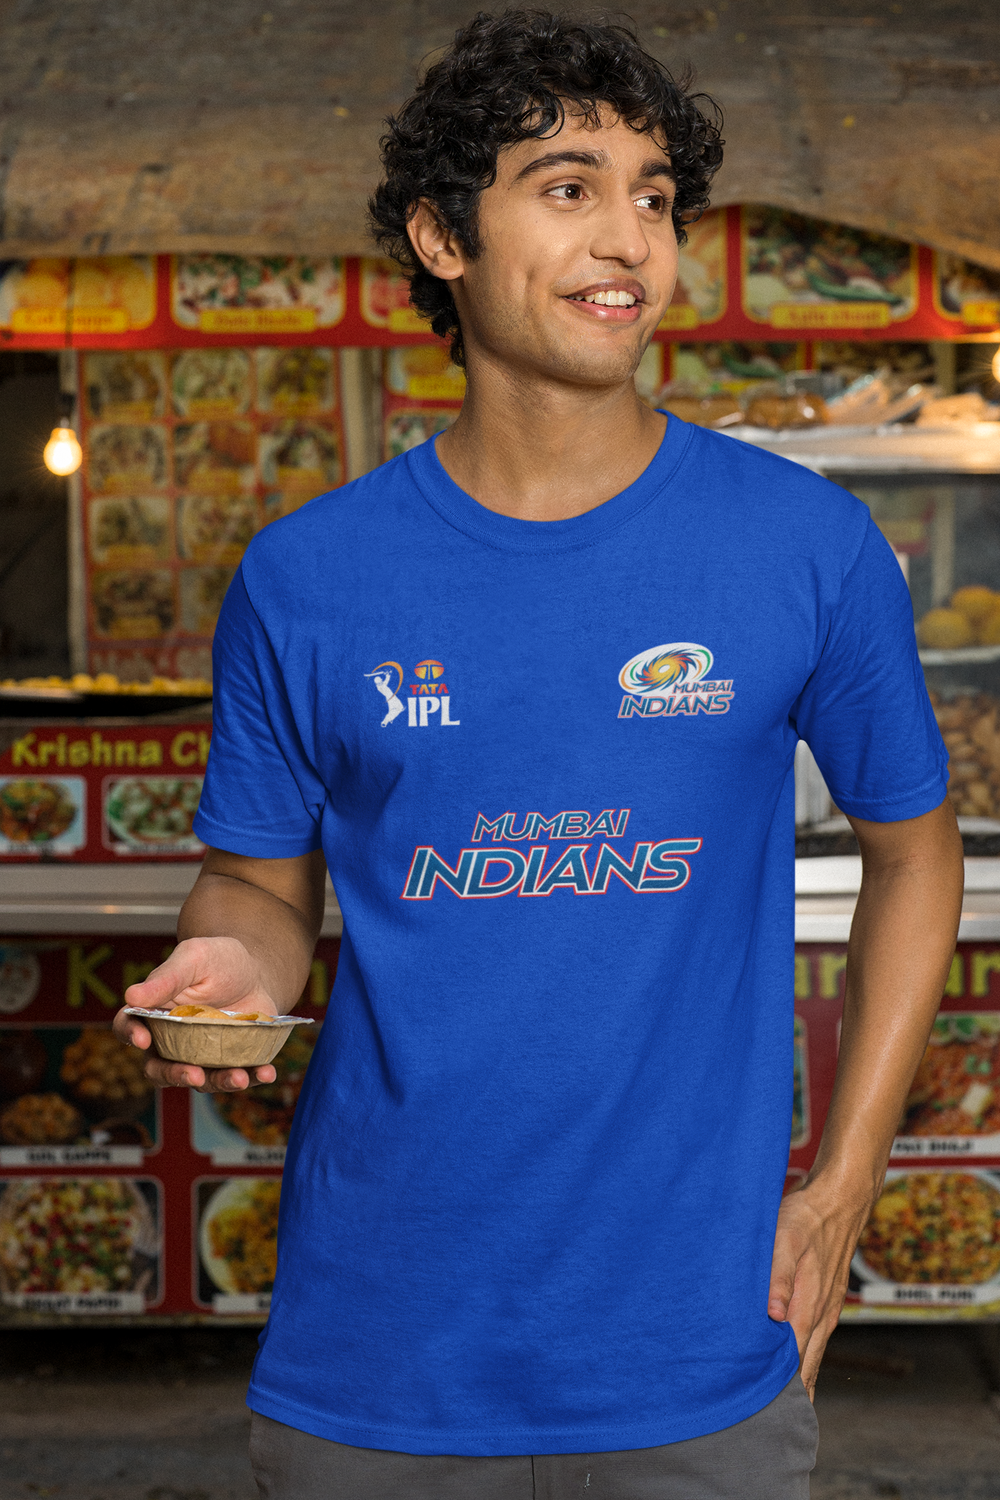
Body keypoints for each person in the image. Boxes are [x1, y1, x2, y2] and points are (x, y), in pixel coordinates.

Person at [115, 11, 964, 1497]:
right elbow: (259, 884)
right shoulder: (309, 576)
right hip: (374, 1352)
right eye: (569, 187)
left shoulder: (805, 548)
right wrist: (232, 963)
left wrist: (843, 1188)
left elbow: (915, 853)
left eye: (655, 197)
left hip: (696, 1350)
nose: (629, 237)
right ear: (443, 236)